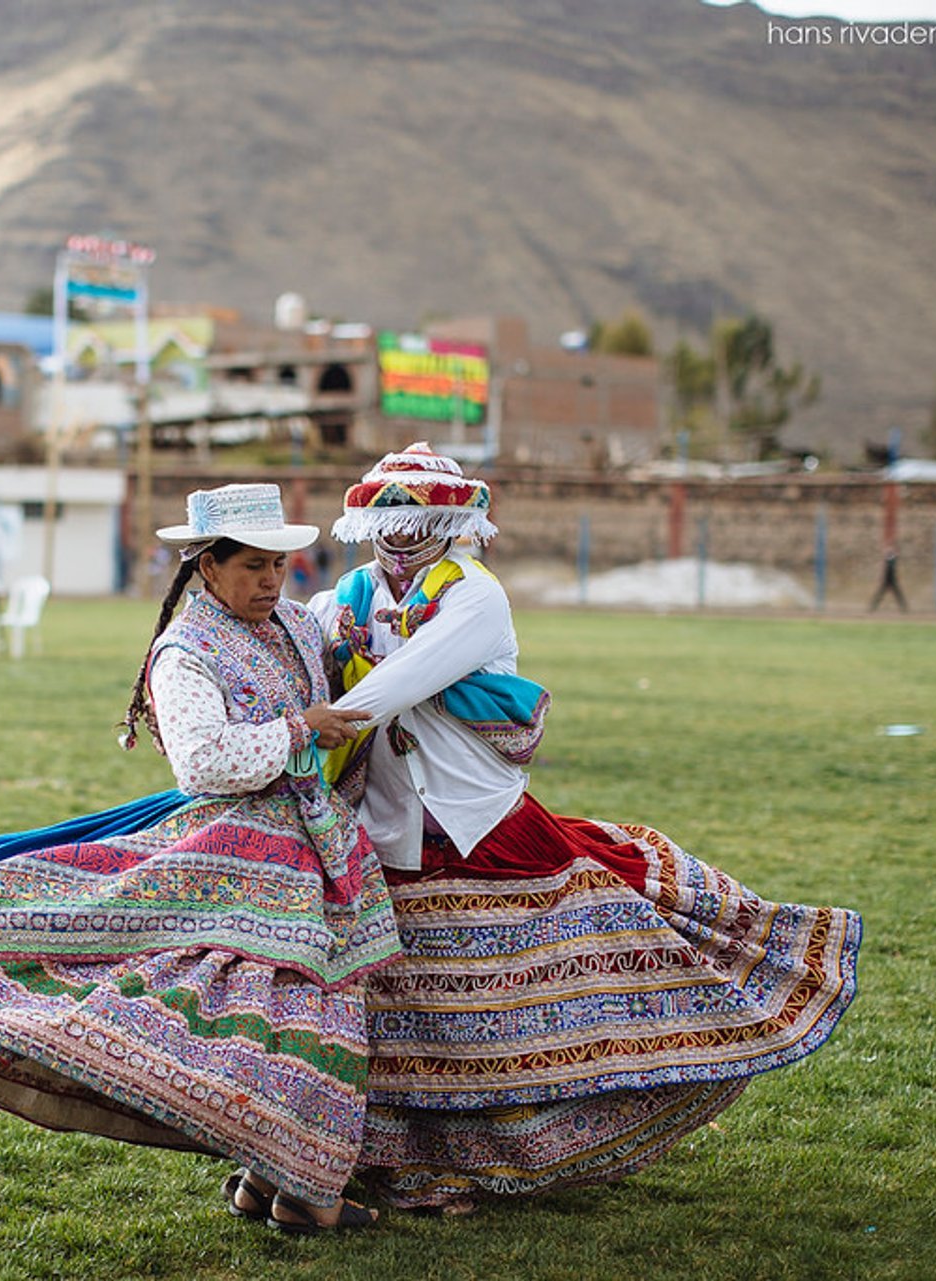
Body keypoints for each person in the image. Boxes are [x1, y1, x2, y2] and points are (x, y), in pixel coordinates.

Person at [0, 483, 394, 1233]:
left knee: (293, 1008)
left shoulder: (290, 624)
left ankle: (274, 1180)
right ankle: (303, 1190)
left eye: (279, 566)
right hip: (235, 851)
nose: (270, 582)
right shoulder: (185, 652)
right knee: (284, 1002)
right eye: (252, 567)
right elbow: (201, 761)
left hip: (308, 849)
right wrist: (298, 730)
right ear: (206, 568)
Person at [308, 443, 863, 1213]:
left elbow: (403, 680)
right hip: (384, 825)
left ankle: (496, 1156)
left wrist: (312, 720)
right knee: (408, 1009)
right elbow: (298, 655)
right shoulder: (347, 593)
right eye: (384, 519)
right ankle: (397, 1163)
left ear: (451, 523)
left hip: (478, 824)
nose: (398, 535)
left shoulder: (473, 595)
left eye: (419, 518)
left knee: (501, 1011)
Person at [869, 541, 908, 612]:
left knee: (897, 594)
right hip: (887, 579)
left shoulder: (892, 558)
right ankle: (873, 607)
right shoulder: (889, 558)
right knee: (881, 594)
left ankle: (904, 608)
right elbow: (885, 568)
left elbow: (890, 567)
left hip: (892, 579)